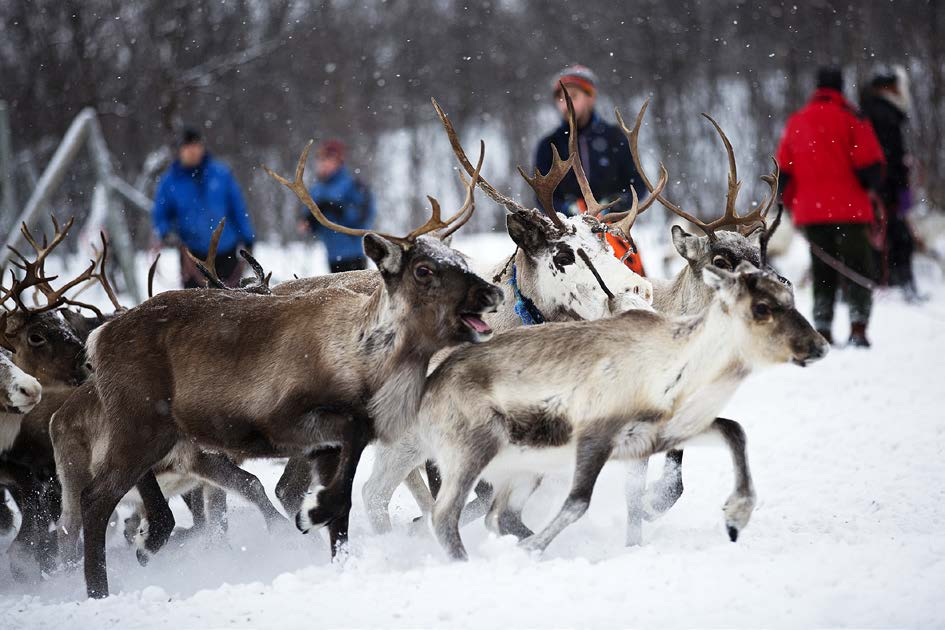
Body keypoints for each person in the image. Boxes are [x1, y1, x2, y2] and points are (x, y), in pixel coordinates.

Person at [776, 67, 886, 348]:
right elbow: (871, 169)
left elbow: (782, 171)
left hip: (811, 213)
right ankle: (859, 327)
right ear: (840, 87)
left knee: (823, 271)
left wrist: (787, 202)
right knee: (858, 269)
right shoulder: (852, 118)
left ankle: (822, 327)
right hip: (850, 212)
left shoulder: (798, 121)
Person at [534, 64, 647, 274]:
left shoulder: (614, 138)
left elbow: (637, 185)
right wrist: (569, 209)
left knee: (636, 285)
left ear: (590, 97)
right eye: (561, 98)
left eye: (573, 96)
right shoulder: (548, 145)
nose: (566, 103)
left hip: (612, 232)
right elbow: (541, 196)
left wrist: (613, 205)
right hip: (568, 235)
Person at [152, 127, 255, 288]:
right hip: (192, 256)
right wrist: (166, 232)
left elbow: (238, 208)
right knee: (196, 309)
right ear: (180, 150)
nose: (193, 151)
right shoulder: (169, 181)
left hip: (226, 251)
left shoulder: (221, 174)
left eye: (196, 146)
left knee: (232, 306)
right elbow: (160, 215)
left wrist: (248, 237)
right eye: (188, 147)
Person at [860, 66, 919, 299]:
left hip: (881, 186)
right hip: (886, 188)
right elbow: (886, 156)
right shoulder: (883, 113)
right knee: (897, 237)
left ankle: (893, 281)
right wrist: (896, 183)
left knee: (888, 236)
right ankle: (899, 283)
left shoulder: (873, 111)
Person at [297, 139, 376, 273]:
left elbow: (364, 216)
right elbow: (307, 224)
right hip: (332, 256)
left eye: (328, 159)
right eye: (320, 159)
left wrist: (339, 209)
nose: (323, 164)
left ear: (338, 161)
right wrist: (309, 222)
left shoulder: (353, 185)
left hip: (354, 255)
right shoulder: (316, 190)